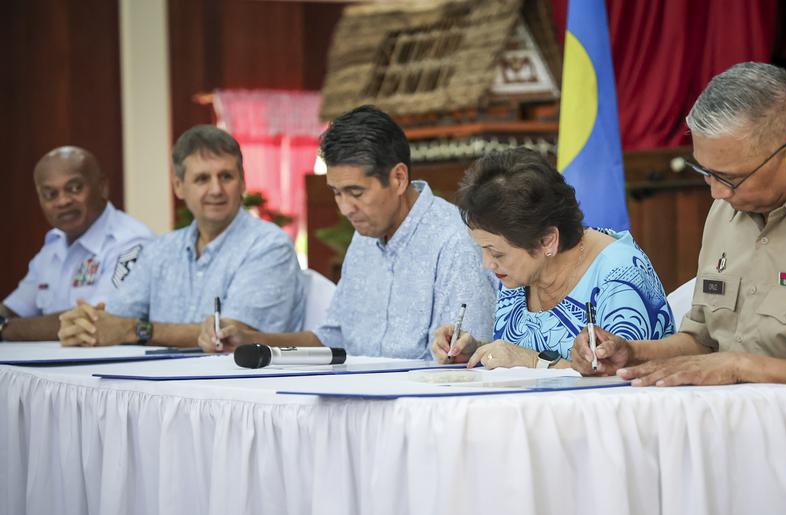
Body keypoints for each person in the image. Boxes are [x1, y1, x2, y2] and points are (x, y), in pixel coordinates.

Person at [570, 62, 786, 515]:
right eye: (704, 171)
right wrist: (633, 352)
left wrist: (742, 367)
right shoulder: (729, 209)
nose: (714, 191)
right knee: (619, 510)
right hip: (738, 449)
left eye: (728, 177)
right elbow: (703, 340)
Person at [201, 105, 496, 360]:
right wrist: (250, 338)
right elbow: (331, 340)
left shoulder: (455, 241)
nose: (345, 208)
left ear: (398, 178)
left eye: (356, 192)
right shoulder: (365, 238)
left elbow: (462, 361)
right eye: (337, 193)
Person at [57, 125, 306, 347]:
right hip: (162, 388)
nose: (216, 190)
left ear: (242, 183)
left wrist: (136, 330)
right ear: (178, 187)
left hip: (236, 391)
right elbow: (117, 319)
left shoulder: (268, 245)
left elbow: (233, 335)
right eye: (202, 179)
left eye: (226, 176)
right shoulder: (161, 248)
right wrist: (86, 326)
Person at [431, 148, 674, 369]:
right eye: (483, 250)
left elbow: (619, 377)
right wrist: (478, 350)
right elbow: (519, 350)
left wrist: (532, 362)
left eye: (496, 253)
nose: (487, 263)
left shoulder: (619, 274)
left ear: (547, 240)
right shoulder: (518, 271)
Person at [0, 147, 153, 341]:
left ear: (102, 187)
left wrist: (4, 328)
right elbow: (13, 308)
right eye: (50, 194)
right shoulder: (53, 244)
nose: (63, 201)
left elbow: (95, 320)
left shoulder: (130, 242)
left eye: (74, 188)